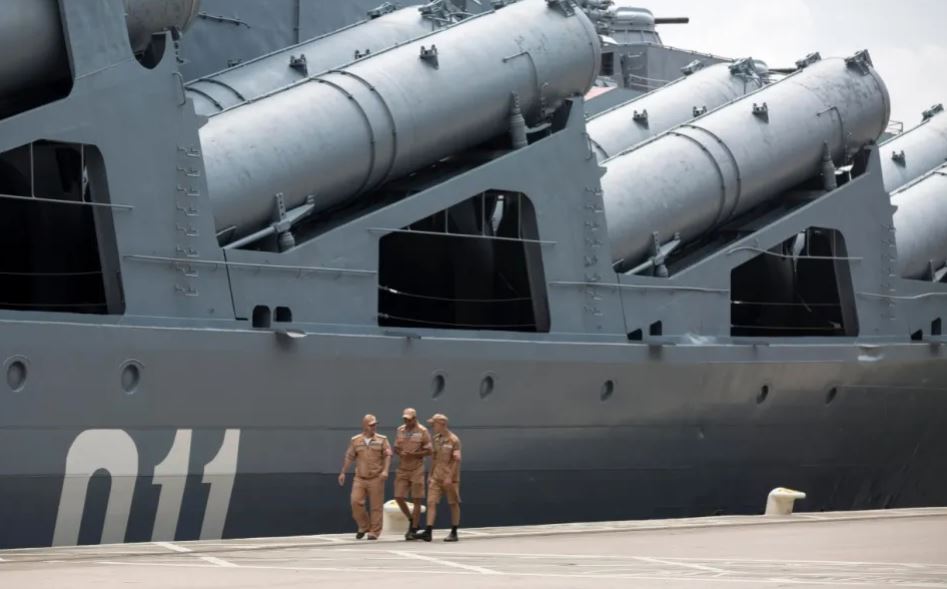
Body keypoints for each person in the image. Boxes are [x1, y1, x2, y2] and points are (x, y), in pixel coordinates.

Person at [338, 414, 391, 540]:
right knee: (355, 501)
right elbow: (349, 456)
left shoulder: (382, 440)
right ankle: (364, 525)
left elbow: (388, 455)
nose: (374, 427)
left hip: (376, 477)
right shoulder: (356, 440)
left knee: (376, 506)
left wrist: (385, 471)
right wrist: (343, 472)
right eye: (371, 425)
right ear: (364, 426)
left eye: (375, 425)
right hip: (360, 477)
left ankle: (374, 531)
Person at [415, 413, 461, 542]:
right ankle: (428, 531)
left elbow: (457, 460)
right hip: (436, 477)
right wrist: (430, 475)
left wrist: (449, 477)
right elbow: (434, 458)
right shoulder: (436, 439)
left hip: (450, 479)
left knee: (453, 503)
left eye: (434, 424)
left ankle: (454, 531)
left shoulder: (454, 440)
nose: (432, 426)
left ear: (442, 424)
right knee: (431, 502)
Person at [394, 407, 433, 540]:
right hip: (403, 468)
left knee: (417, 499)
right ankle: (411, 519)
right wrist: (400, 452)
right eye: (405, 419)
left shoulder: (423, 431)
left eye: (409, 419)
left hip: (417, 468)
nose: (406, 421)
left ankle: (414, 528)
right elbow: (396, 448)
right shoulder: (400, 430)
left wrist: (415, 454)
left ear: (415, 419)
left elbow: (429, 450)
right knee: (398, 496)